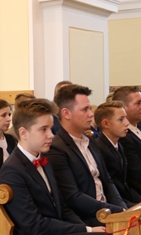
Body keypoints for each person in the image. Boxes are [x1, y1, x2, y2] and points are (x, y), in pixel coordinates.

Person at [0, 98, 112, 235]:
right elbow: (33, 225)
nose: (51, 135)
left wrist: (86, 228)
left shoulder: (44, 158)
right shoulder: (12, 171)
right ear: (23, 133)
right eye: (44, 129)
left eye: (51, 128)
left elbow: (63, 207)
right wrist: (86, 230)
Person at [47, 84, 126, 226]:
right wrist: (118, 211)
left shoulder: (91, 140)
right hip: (88, 218)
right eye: (85, 109)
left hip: (108, 211)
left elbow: (107, 181)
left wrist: (122, 209)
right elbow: (73, 197)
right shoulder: (57, 148)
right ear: (66, 113)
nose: (91, 114)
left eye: (90, 108)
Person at [93, 101, 141, 206]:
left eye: (125, 118)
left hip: (125, 199)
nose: (127, 123)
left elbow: (125, 184)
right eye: (121, 119)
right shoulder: (99, 149)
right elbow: (110, 189)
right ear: (106, 124)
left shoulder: (119, 145)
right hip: (114, 203)